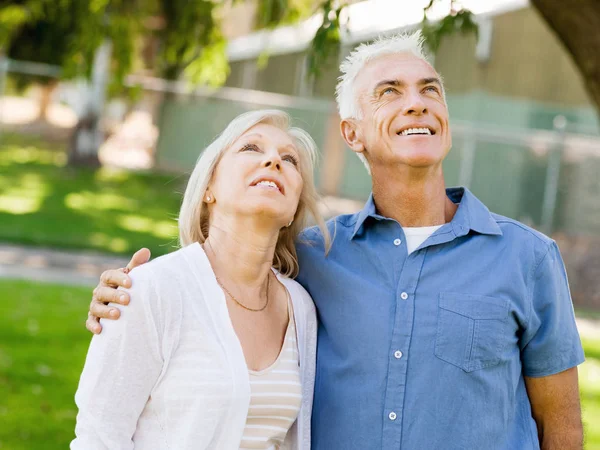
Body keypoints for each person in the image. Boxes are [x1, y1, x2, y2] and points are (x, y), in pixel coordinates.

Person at [86, 32, 585, 449]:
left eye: (430, 90)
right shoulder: (317, 256)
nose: (417, 103)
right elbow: (220, 270)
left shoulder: (528, 258)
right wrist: (125, 297)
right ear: (352, 133)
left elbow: (560, 427)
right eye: (389, 92)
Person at [72, 109, 330, 449]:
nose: (273, 161)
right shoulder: (152, 289)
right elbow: (99, 438)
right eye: (251, 148)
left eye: (290, 159)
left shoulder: (300, 307)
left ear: (295, 205)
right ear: (209, 187)